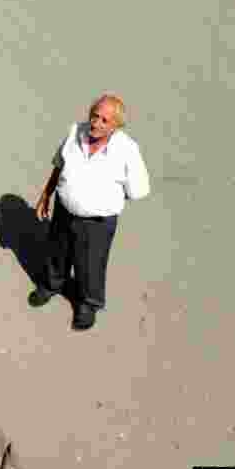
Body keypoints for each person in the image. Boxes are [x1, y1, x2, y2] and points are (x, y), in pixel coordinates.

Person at [31, 94, 150, 331]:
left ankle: (88, 303)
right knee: (58, 252)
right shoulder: (75, 132)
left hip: (97, 222)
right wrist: (46, 194)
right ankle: (52, 284)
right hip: (64, 211)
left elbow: (138, 190)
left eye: (104, 120)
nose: (96, 123)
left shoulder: (127, 149)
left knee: (90, 264)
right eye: (94, 116)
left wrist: (105, 200)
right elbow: (59, 164)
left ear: (116, 126)